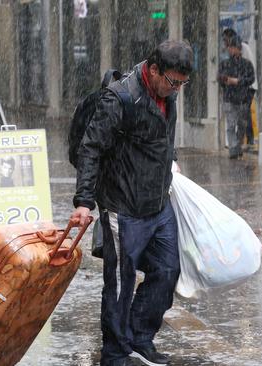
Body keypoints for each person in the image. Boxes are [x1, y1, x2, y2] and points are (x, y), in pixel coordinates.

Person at [71, 40, 193, 366]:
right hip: (122, 206)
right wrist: (84, 201)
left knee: (168, 270)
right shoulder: (120, 97)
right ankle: (114, 354)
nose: (177, 88)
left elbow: (164, 137)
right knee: (121, 284)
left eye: (182, 83)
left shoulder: (170, 95)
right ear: (153, 70)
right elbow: (90, 148)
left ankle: (140, 338)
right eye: (172, 81)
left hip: (158, 203)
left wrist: (173, 160)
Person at [217, 35, 255, 159]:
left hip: (243, 99)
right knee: (231, 125)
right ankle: (233, 149)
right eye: (230, 48)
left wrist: (238, 81)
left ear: (239, 49)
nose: (231, 50)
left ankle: (237, 146)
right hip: (229, 99)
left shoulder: (246, 64)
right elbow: (219, 78)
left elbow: (251, 79)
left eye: (234, 48)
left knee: (242, 125)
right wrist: (226, 80)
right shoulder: (225, 64)